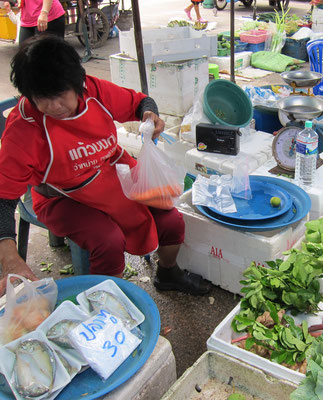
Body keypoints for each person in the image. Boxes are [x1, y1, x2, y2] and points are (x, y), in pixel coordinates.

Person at [0, 35, 211, 296]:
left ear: (77, 83)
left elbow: (140, 103)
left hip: (114, 174)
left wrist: (150, 115)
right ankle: (106, 304)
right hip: (62, 196)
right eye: (43, 98)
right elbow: (4, 201)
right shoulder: (23, 130)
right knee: (108, 240)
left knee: (171, 219)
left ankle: (168, 272)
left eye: (61, 95)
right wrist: (9, 257)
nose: (54, 106)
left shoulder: (93, 91)